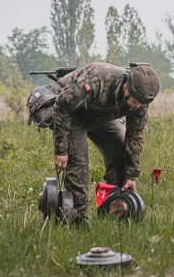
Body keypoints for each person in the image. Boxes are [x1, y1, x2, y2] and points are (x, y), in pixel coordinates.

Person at [51, 62, 160, 225]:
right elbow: (61, 106)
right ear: (126, 85)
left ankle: (116, 204)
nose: (137, 105)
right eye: (134, 100)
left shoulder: (141, 98)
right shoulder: (97, 82)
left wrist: (130, 175)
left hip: (101, 116)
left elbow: (135, 136)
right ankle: (77, 219)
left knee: (121, 148)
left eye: (141, 103)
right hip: (74, 114)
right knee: (78, 162)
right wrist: (61, 149)